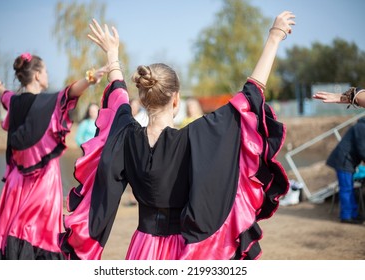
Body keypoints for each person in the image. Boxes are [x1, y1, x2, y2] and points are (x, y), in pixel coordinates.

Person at [59, 12, 295, 260]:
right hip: (182, 250)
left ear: (142, 98)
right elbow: (248, 98)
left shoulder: (126, 136)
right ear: (176, 99)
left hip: (142, 247)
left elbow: (118, 97)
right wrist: (274, 36)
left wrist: (112, 55)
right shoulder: (193, 138)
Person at [0, 53, 106, 259]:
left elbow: (5, 96)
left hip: (15, 181)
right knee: (41, 233)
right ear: (38, 75)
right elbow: (69, 93)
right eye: (46, 72)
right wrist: (91, 78)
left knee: (13, 229)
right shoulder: (47, 101)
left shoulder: (14, 101)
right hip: (43, 180)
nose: (48, 76)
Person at [326, 117, 365, 224]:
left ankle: (354, 214)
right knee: (346, 189)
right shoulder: (361, 127)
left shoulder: (361, 126)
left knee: (349, 188)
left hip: (347, 161)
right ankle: (346, 217)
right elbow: (362, 149)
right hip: (343, 161)